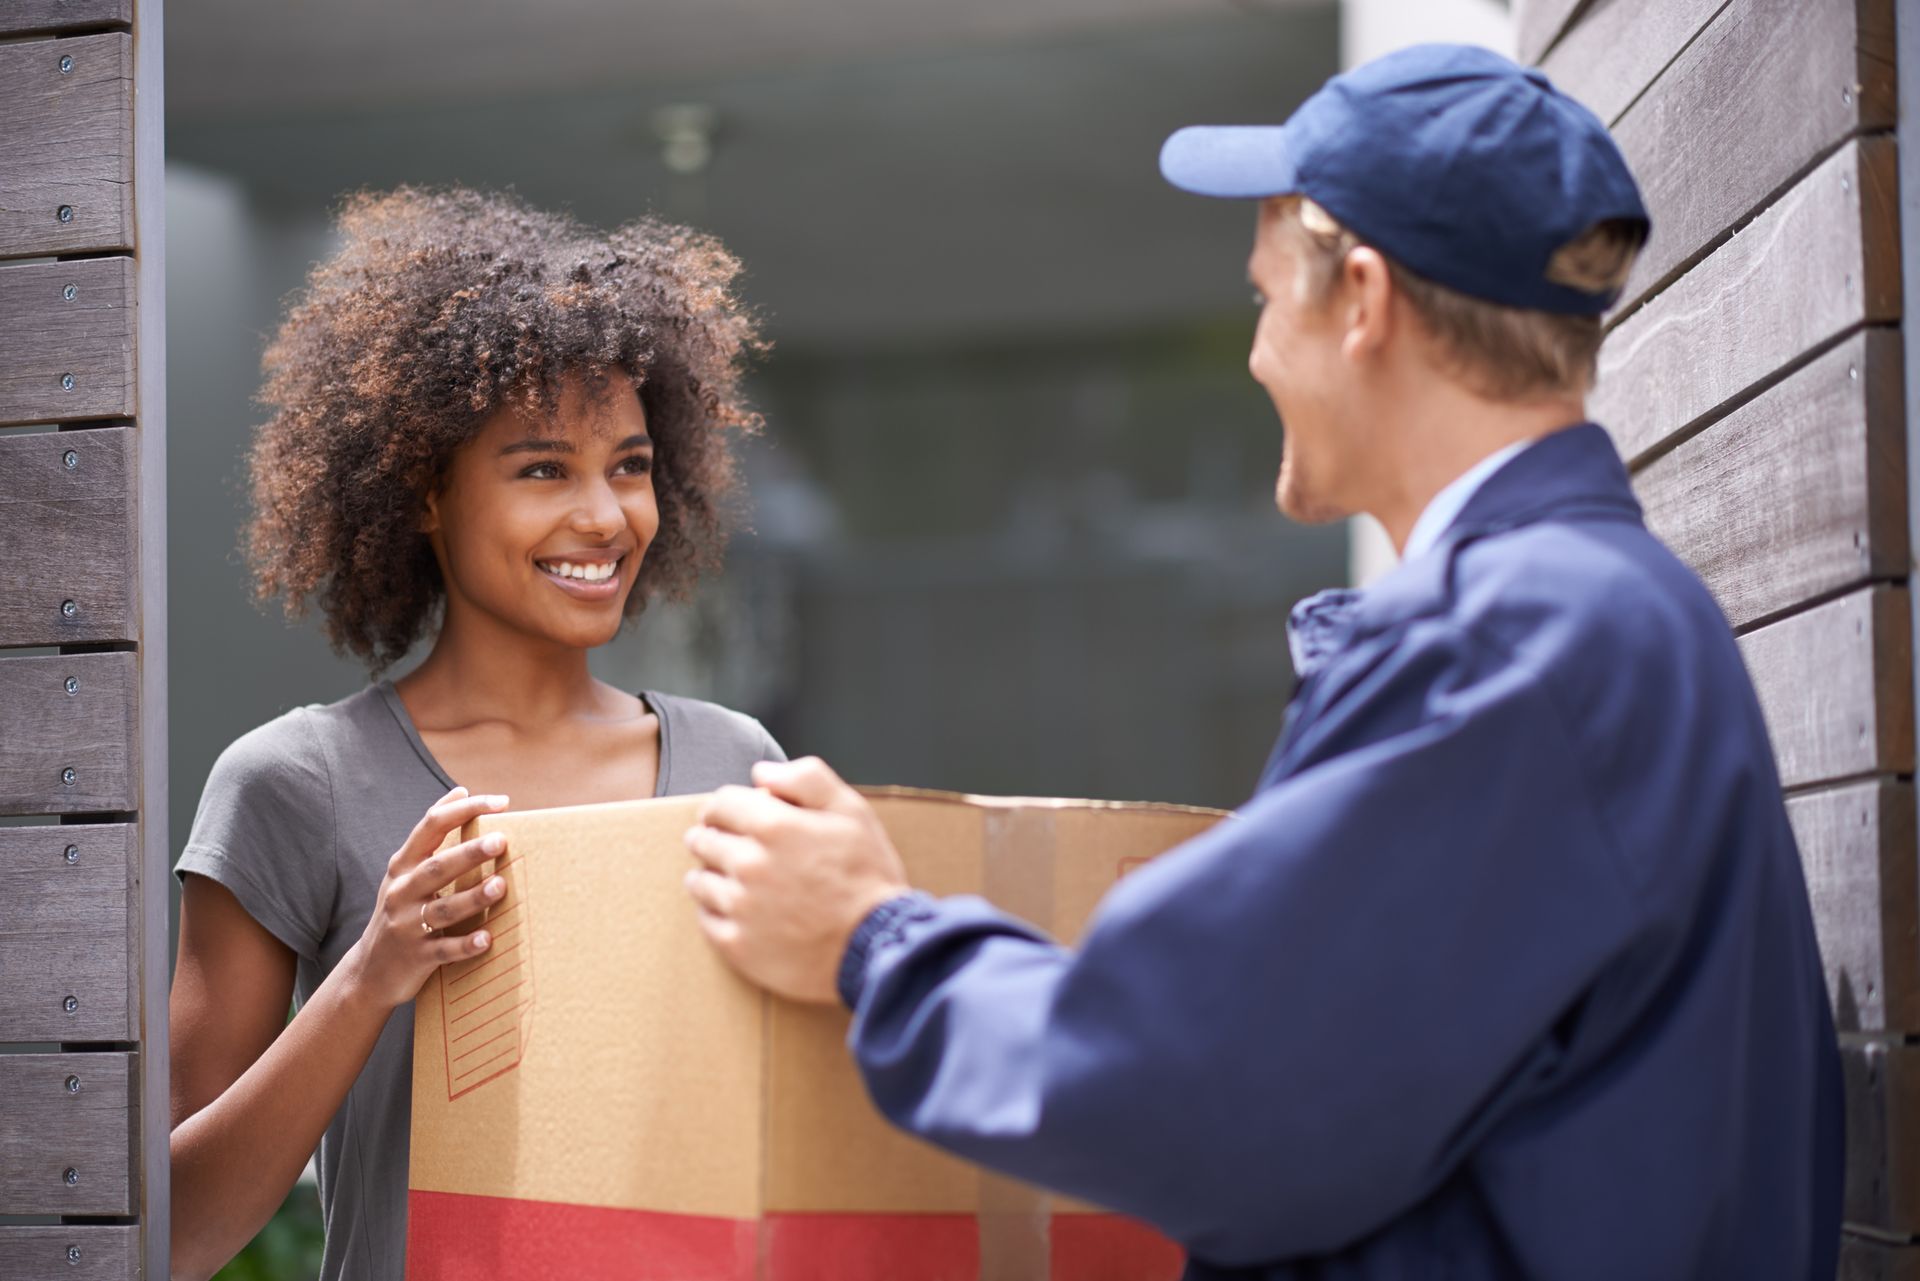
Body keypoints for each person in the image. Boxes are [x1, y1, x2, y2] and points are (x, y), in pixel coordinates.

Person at [682, 44, 1844, 1279]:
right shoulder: (1604, 618)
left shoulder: (1513, 642)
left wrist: (870, 938)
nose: (1254, 357)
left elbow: (1188, 1080)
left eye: (1265, 303)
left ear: (1365, 302)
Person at [167, 188, 783, 1281]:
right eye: (543, 468)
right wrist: (374, 973)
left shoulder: (739, 768)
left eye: (629, 465)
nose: (603, 516)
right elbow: (171, 1232)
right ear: (425, 495)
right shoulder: (296, 783)